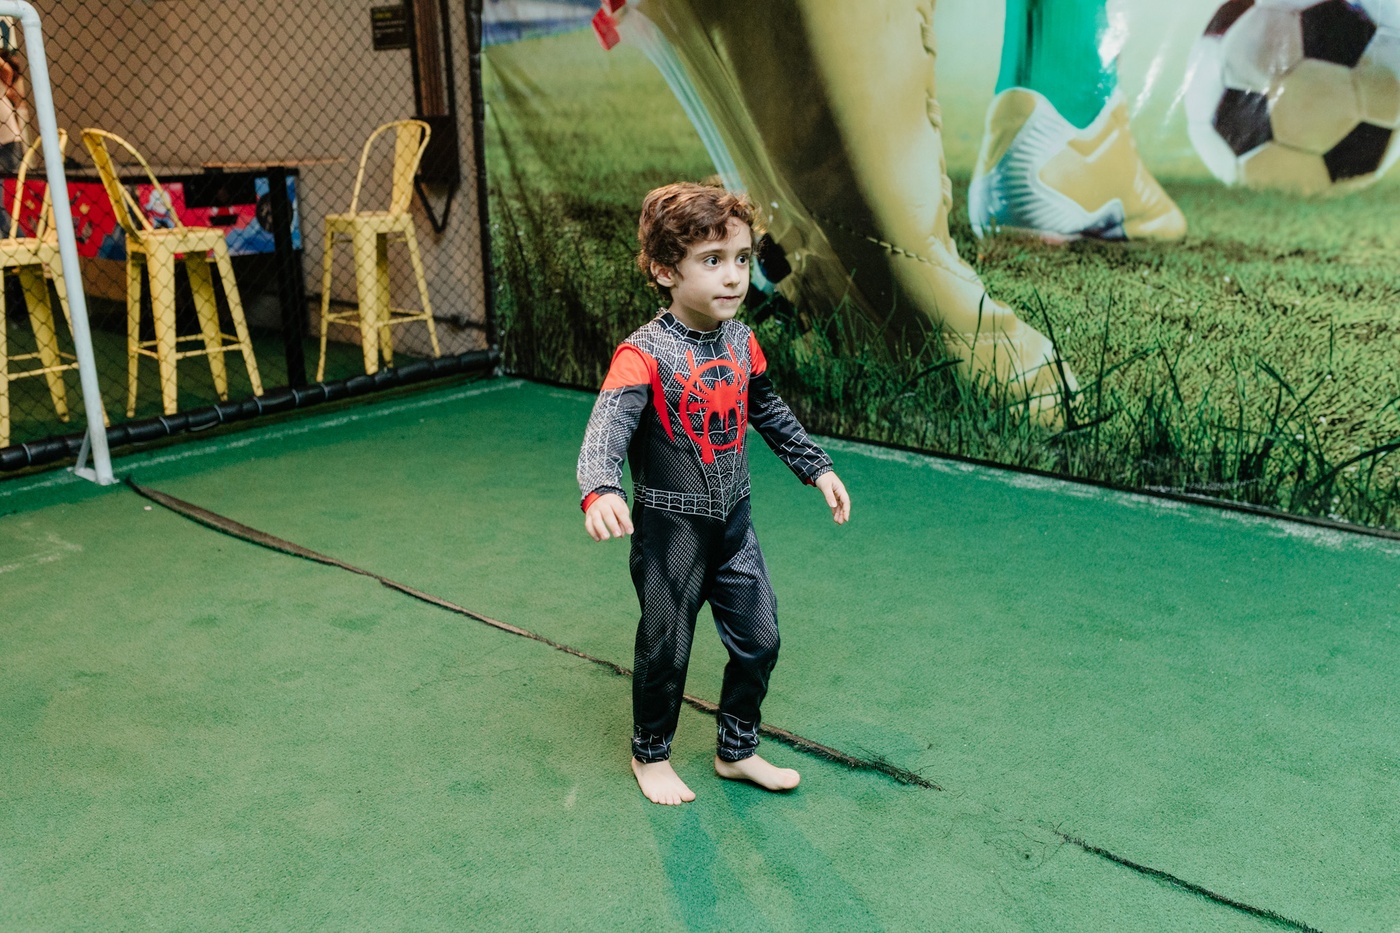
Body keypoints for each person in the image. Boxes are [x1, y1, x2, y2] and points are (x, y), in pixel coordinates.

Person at [577, 182, 851, 806]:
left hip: (733, 523)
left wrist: (817, 467)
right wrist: (600, 488)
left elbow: (769, 410)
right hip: (669, 532)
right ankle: (651, 754)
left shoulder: (741, 342)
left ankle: (737, 749)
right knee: (666, 648)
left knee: (760, 638)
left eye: (742, 258)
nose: (733, 276)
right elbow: (606, 430)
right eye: (711, 260)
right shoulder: (643, 353)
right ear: (664, 270)